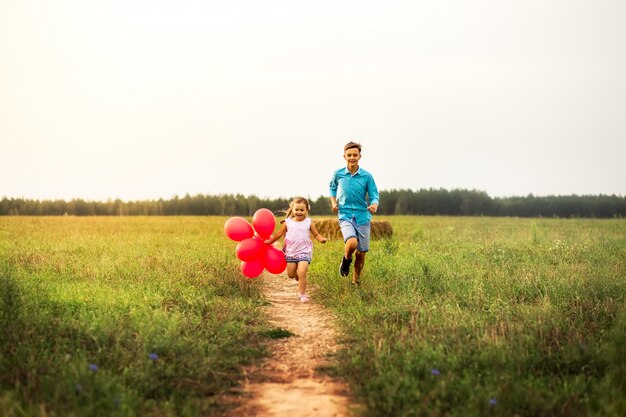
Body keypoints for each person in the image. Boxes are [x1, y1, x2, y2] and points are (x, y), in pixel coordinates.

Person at [329, 141, 379, 286]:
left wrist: (374, 204)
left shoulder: (367, 176)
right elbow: (332, 188)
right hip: (345, 214)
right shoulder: (338, 174)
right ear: (344, 156)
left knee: (361, 253)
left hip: (362, 216)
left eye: (355, 155)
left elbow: (374, 194)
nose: (352, 157)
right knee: (352, 243)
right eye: (349, 155)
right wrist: (333, 202)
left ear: (359, 156)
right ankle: (346, 259)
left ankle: (356, 281)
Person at [265, 197, 327, 302]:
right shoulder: (288, 222)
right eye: (297, 209)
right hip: (291, 252)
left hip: (304, 252)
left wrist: (321, 239)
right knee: (291, 274)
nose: (299, 212)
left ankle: (302, 294)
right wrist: (271, 241)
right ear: (292, 209)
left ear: (307, 210)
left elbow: (315, 234)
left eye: (302, 210)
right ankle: (298, 276)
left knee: (302, 272)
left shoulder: (309, 222)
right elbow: (280, 233)